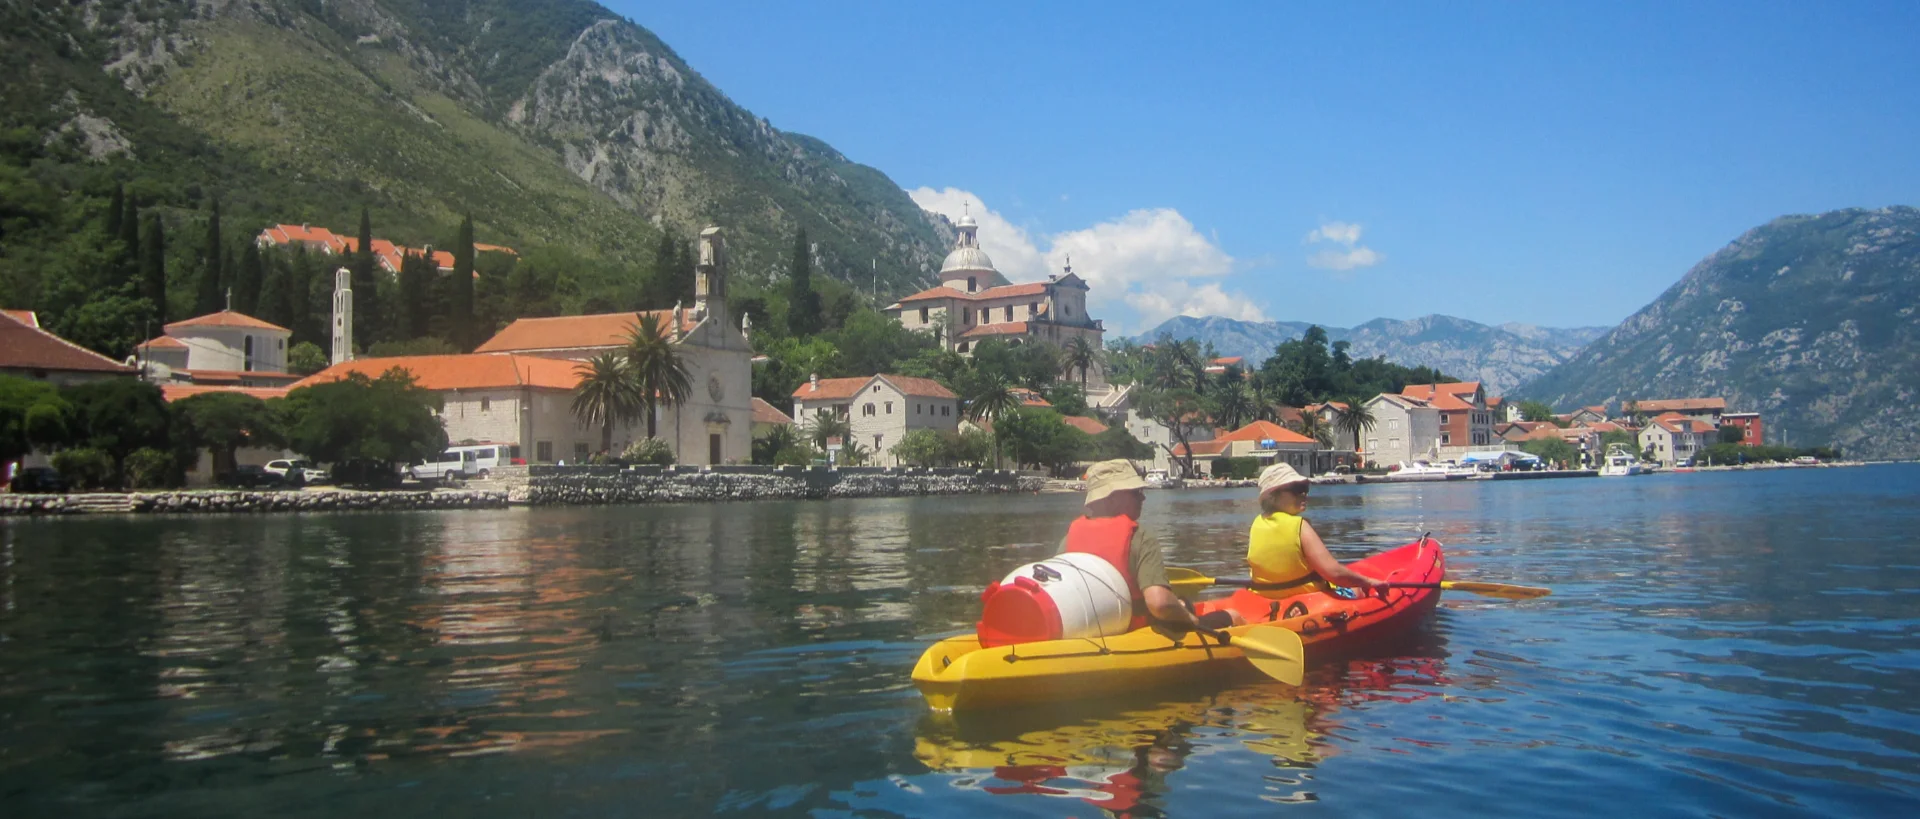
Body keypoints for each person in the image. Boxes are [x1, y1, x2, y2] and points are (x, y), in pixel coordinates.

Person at [1060, 460, 1243, 631]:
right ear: (1113, 498)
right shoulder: (1139, 537)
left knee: (1182, 602)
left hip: (1089, 632)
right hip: (1137, 630)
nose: (1143, 498)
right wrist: (1189, 619)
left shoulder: (1067, 540)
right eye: (1136, 492)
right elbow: (1159, 604)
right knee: (1233, 616)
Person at [1247, 464, 1383, 595]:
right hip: (1308, 600)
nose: (1304, 494)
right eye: (1296, 489)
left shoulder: (1257, 523)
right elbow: (1334, 573)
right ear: (1272, 496)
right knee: (1357, 590)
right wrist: (1367, 581)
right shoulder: (1299, 526)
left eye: (1305, 488)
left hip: (1268, 598)